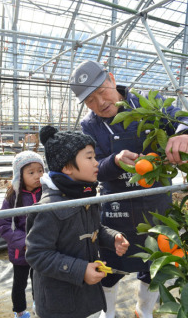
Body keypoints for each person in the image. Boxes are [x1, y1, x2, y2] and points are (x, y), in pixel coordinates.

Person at [70, 60, 188, 318]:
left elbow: (184, 118)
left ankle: (143, 311)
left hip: (155, 203)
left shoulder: (149, 104)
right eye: (90, 100)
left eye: (101, 91)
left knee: (153, 263)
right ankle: (109, 313)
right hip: (115, 207)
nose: (100, 103)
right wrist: (113, 162)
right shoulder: (89, 126)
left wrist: (187, 133)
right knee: (109, 266)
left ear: (112, 78)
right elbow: (92, 170)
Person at [25, 125, 129, 318]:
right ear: (66, 166)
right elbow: (37, 254)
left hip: (83, 296)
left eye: (95, 157)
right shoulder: (50, 207)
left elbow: (94, 228)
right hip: (59, 303)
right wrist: (80, 270)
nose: (97, 163)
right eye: (89, 157)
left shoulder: (85, 194)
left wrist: (111, 238)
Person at [0, 150, 44, 318]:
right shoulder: (13, 197)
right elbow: (4, 225)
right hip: (21, 251)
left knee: (40, 280)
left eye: (40, 170)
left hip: (42, 248)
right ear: (19, 175)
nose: (37, 175)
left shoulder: (45, 193)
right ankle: (20, 311)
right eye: (31, 172)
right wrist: (23, 242)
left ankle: (39, 303)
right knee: (20, 283)